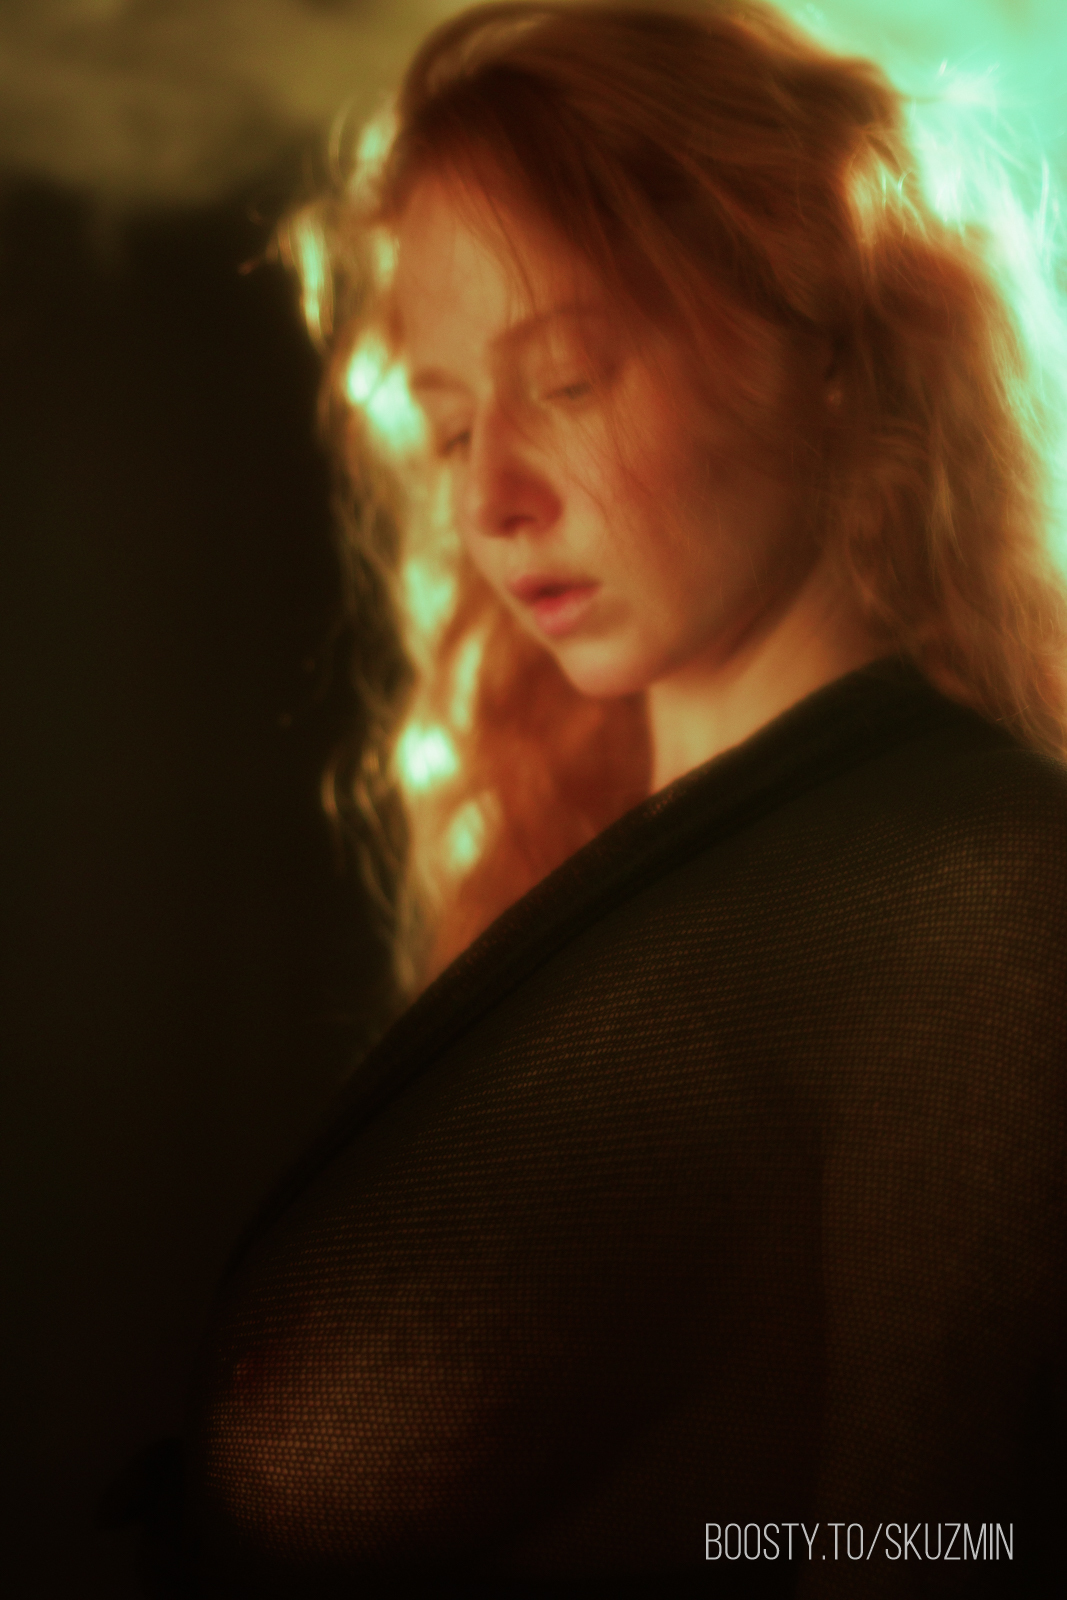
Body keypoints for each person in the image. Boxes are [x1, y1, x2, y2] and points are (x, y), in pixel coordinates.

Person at [185, 3, 1067, 1594]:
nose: (487, 500)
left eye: (570, 381)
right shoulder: (611, 883)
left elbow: (942, 1541)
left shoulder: (974, 891)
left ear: (827, 338)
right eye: (450, 424)